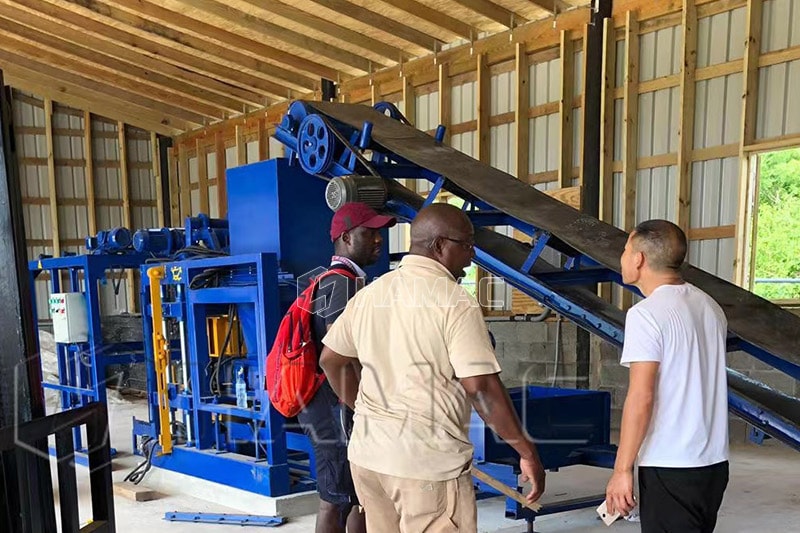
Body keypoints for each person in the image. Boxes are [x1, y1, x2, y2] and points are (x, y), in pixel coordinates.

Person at [319, 203, 546, 533]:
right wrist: (527, 452)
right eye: (467, 245)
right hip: (425, 468)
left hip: (369, 460)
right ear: (440, 245)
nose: (472, 256)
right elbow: (481, 388)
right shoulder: (455, 302)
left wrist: (367, 409)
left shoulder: (372, 293)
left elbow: (331, 359)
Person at [605, 219, 729, 533]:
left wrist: (622, 469)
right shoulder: (710, 307)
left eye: (625, 249)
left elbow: (641, 396)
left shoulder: (646, 314)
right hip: (712, 464)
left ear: (639, 258)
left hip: (671, 464)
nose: (622, 257)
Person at [298, 202, 396, 533]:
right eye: (369, 233)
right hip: (334, 405)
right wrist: (363, 406)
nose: (379, 240)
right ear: (345, 238)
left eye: (380, 233)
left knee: (357, 497)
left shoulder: (343, 280)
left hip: (335, 403)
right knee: (336, 498)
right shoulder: (342, 284)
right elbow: (340, 356)